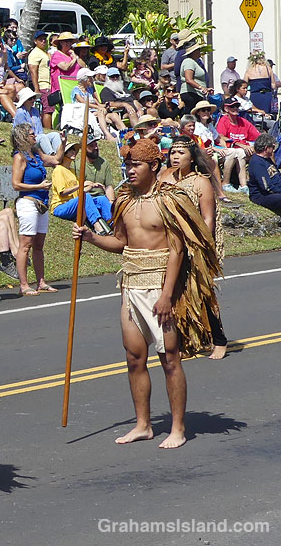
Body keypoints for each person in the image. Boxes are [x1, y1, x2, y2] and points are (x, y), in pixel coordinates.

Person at [72, 138, 220, 449]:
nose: (129, 170)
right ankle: (143, 425)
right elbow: (120, 243)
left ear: (153, 166)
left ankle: (177, 428)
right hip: (130, 285)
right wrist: (90, 237)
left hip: (160, 286)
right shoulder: (124, 201)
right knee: (134, 358)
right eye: (126, 165)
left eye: (135, 165)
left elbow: (178, 250)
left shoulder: (169, 201)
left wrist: (167, 295)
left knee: (169, 359)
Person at [159, 137, 228, 360]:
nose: (175, 157)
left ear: (191, 157)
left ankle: (219, 340)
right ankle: (183, 341)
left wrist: (199, 247)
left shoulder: (200, 182)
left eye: (181, 153)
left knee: (201, 292)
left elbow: (207, 218)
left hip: (194, 244)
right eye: (173, 152)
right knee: (174, 292)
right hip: (168, 243)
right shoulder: (165, 176)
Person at [10, 123, 63, 296]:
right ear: (23, 137)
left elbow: (56, 160)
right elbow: (16, 184)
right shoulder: (20, 157)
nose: (35, 136)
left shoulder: (36, 154)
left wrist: (63, 142)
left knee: (39, 244)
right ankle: (24, 284)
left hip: (41, 203)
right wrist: (39, 185)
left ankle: (41, 281)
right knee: (26, 244)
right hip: (28, 202)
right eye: (32, 134)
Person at [49, 140, 113, 233]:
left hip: (75, 203)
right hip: (60, 207)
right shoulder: (59, 170)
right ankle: (97, 226)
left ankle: (113, 223)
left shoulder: (72, 171)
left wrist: (91, 186)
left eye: (74, 150)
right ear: (64, 153)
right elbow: (63, 193)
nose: (74, 152)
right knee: (85, 196)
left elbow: (78, 192)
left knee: (101, 199)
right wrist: (80, 185)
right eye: (70, 150)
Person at [215, 97, 258, 191]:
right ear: (226, 108)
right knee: (239, 152)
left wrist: (255, 147)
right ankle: (237, 184)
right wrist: (241, 145)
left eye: (237, 106)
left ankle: (264, 181)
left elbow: (257, 136)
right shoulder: (223, 120)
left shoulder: (243, 121)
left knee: (265, 150)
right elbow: (221, 137)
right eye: (232, 106)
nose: (235, 108)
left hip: (247, 149)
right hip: (232, 149)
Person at [72, 68, 124, 139]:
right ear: (84, 79)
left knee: (114, 115)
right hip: (83, 113)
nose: (92, 80)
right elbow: (84, 103)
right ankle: (107, 135)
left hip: (95, 112)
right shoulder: (76, 90)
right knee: (100, 113)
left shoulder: (90, 90)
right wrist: (98, 108)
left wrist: (106, 105)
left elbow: (97, 103)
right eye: (90, 78)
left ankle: (126, 133)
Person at [13, 88, 62, 156]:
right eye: (30, 98)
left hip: (38, 137)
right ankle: (51, 156)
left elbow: (40, 129)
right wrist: (36, 137)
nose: (33, 100)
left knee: (55, 135)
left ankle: (59, 155)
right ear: (24, 101)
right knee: (42, 137)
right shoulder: (20, 112)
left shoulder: (35, 111)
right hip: (26, 139)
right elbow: (23, 133)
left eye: (34, 98)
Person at [247, 134, 281, 216]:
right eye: (272, 147)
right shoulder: (257, 163)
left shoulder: (267, 159)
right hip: (261, 196)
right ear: (266, 148)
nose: (273, 150)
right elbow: (266, 186)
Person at [27, 30, 54, 129]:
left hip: (49, 84)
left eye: (44, 39)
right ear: (35, 41)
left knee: (49, 109)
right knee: (48, 110)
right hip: (43, 85)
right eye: (40, 39)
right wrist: (36, 88)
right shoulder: (35, 53)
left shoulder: (44, 52)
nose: (43, 41)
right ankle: (48, 130)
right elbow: (33, 71)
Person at [179, 43, 211, 114]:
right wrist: (201, 87)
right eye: (198, 50)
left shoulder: (194, 62)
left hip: (196, 93)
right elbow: (189, 79)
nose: (200, 51)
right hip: (191, 94)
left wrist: (205, 89)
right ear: (193, 52)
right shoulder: (189, 62)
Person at [50, 32, 82, 97]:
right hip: (63, 88)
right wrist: (74, 59)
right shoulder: (57, 55)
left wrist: (76, 56)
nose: (69, 43)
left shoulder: (72, 55)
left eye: (70, 41)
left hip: (75, 87)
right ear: (60, 43)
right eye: (66, 41)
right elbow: (65, 67)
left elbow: (83, 66)